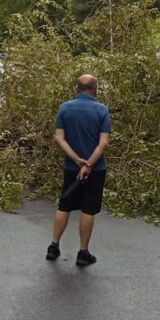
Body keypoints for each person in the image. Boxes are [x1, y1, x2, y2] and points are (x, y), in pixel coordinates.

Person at [47, 74, 111, 267]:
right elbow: (103, 143)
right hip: (95, 169)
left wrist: (76, 160)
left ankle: (53, 247)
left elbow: (59, 138)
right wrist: (88, 164)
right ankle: (83, 253)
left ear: (77, 88)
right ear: (95, 89)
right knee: (88, 209)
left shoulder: (65, 108)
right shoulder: (102, 110)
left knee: (64, 205)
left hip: (70, 167)